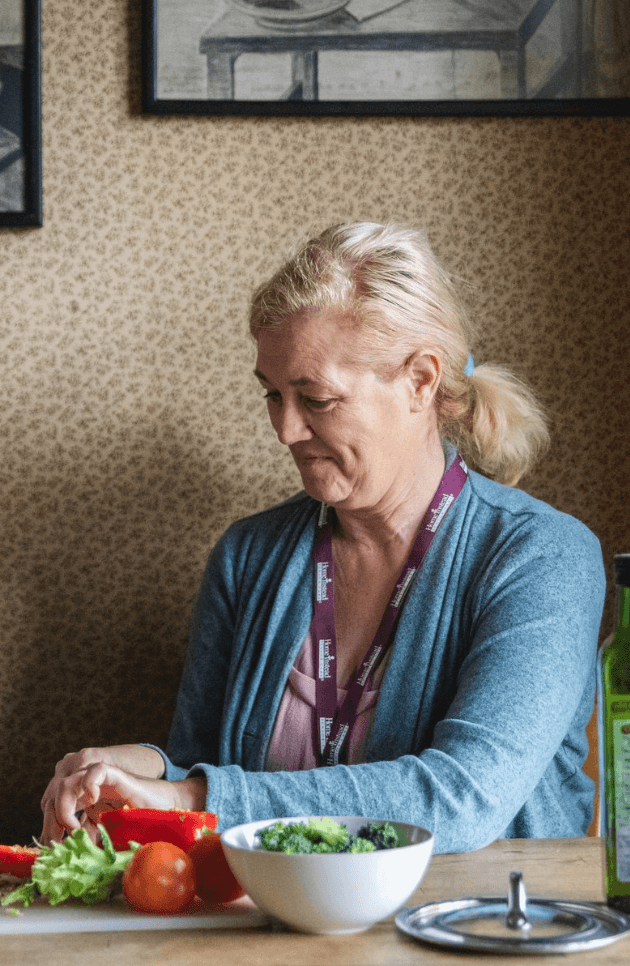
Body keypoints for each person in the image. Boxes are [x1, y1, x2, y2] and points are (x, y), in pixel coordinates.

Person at [40, 223, 604, 854]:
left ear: (420, 381)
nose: (285, 430)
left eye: (316, 398)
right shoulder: (247, 556)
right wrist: (139, 771)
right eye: (272, 395)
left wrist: (193, 797)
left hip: (479, 934)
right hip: (276, 932)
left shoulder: (543, 556)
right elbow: (202, 767)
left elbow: (463, 798)